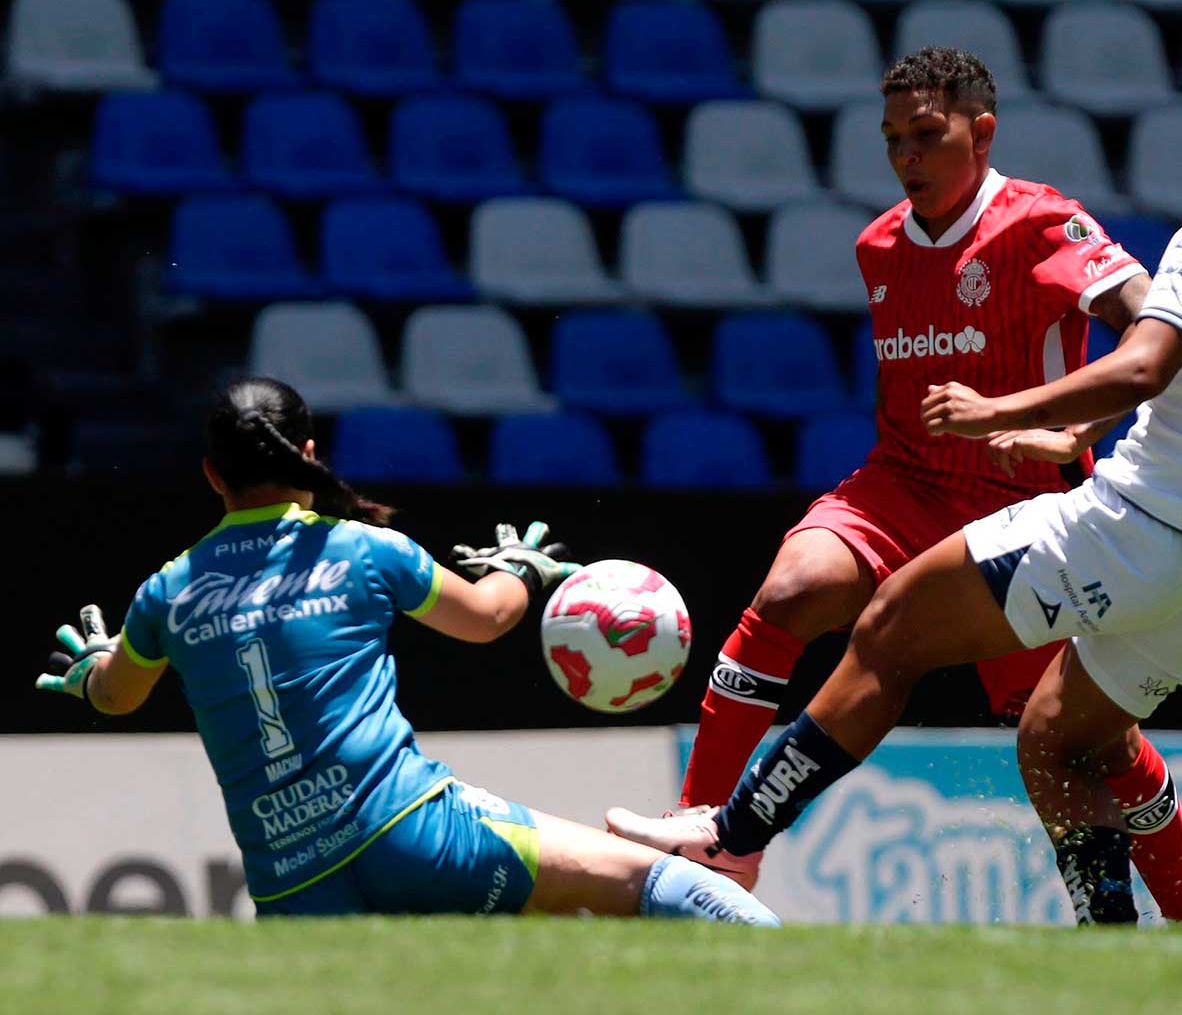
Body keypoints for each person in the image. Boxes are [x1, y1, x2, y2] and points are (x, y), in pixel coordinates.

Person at [661, 45, 1182, 921]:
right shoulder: (878, 246)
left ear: (980, 133)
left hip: (1018, 498)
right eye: (891, 141)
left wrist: (1057, 429)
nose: (907, 156)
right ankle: (704, 841)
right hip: (901, 484)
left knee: (1082, 739)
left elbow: (1150, 348)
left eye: (926, 134)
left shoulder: (1044, 223)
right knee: (794, 589)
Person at [37, 377, 779, 927]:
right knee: (665, 886)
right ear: (309, 456)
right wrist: (521, 566)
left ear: (210, 475)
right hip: (416, 835)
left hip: (295, 892)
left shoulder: (168, 592)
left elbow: (115, 695)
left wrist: (94, 666)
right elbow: (488, 619)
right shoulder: (362, 550)